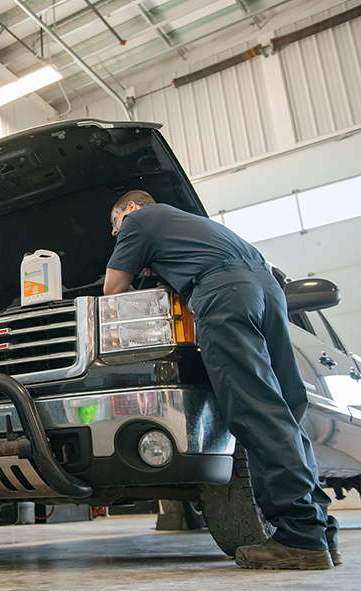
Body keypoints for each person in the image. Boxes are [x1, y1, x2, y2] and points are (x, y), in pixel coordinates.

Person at [103, 190, 340, 570]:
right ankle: (321, 532)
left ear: (129, 208)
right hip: (268, 292)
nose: (116, 233)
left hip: (224, 296)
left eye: (114, 223)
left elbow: (112, 289)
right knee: (284, 411)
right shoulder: (200, 228)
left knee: (255, 411)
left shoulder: (140, 219)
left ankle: (300, 538)